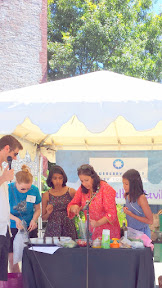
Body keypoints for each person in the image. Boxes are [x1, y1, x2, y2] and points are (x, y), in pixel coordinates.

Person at [67, 164, 120, 240]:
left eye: (86, 180)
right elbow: (73, 204)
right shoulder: (82, 189)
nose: (84, 184)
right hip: (92, 233)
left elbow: (111, 213)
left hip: (109, 233)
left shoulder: (105, 188)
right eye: (82, 181)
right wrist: (74, 208)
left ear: (93, 177)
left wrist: (98, 223)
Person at [8, 165, 41, 273]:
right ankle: (17, 282)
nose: (26, 190)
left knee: (31, 258)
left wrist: (34, 219)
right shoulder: (8, 189)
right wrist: (16, 219)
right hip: (12, 227)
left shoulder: (34, 190)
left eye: (28, 188)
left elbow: (37, 209)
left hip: (30, 227)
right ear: (16, 182)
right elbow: (3, 211)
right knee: (13, 259)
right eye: (23, 188)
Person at [0, 135, 23, 282]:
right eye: (15, 154)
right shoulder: (3, 173)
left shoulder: (2, 168)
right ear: (7, 148)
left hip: (4, 229)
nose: (15, 158)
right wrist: (3, 178)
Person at [42, 165, 77, 240]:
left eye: (60, 178)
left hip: (68, 227)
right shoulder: (46, 195)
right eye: (55, 178)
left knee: (69, 250)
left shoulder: (71, 191)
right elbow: (43, 218)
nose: (58, 181)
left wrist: (74, 209)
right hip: (52, 228)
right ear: (50, 179)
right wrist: (48, 213)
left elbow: (80, 206)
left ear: (64, 178)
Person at [122, 169, 153, 238]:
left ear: (134, 184)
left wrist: (132, 215)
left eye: (126, 184)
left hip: (143, 234)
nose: (124, 186)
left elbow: (150, 221)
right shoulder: (126, 195)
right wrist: (125, 210)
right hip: (131, 232)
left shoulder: (141, 198)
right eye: (123, 183)